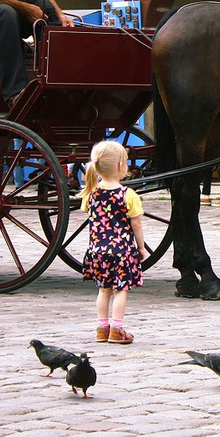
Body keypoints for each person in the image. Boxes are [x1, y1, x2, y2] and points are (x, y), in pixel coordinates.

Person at [81, 140, 147, 344]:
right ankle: (117, 329)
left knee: (103, 290)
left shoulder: (90, 194)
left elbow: (88, 213)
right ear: (120, 166)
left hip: (97, 251)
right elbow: (136, 224)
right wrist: (141, 248)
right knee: (121, 290)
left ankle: (102, 328)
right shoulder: (128, 195)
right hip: (122, 252)